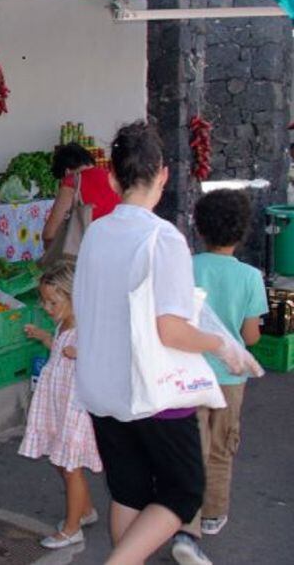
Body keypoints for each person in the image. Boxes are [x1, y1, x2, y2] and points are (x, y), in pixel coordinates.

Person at [73, 120, 255, 565]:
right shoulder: (163, 237)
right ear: (163, 174)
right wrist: (223, 345)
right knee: (183, 489)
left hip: (101, 385)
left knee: (130, 491)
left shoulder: (97, 231)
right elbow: (170, 330)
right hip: (152, 390)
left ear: (113, 179)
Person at [171, 189, 266, 563]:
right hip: (229, 378)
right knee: (223, 447)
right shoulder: (249, 277)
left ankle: (186, 522)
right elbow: (250, 336)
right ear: (242, 232)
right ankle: (213, 513)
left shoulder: (187, 268)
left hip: (189, 373)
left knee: (192, 448)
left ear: (199, 229)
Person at [19, 260, 102, 550]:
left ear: (74, 297)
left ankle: (71, 529)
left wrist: (82, 354)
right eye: (43, 301)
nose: (46, 307)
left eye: (53, 302)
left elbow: (105, 360)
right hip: (58, 402)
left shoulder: (88, 330)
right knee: (61, 460)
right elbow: (59, 348)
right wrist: (44, 336)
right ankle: (86, 510)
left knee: (69, 465)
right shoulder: (64, 324)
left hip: (75, 406)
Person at [41, 142, 120, 247]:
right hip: (118, 245)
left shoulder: (72, 182)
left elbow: (49, 234)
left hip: (91, 250)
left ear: (66, 171)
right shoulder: (112, 178)